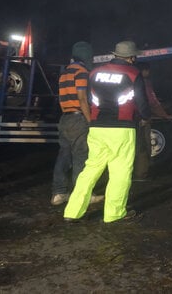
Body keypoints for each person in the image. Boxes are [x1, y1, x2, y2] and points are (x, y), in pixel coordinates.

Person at [63, 40, 151, 223]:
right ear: (132, 57)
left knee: (90, 169)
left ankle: (72, 211)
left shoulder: (95, 72)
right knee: (120, 172)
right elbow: (142, 102)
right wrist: (145, 116)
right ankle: (114, 213)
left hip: (97, 128)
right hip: (122, 129)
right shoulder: (133, 73)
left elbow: (88, 98)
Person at [51, 41, 103, 206]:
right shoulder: (82, 73)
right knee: (81, 157)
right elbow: (82, 99)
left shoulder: (65, 73)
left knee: (64, 156)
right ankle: (83, 195)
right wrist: (90, 121)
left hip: (65, 118)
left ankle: (58, 193)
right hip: (78, 118)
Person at [132, 62, 172, 181]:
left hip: (126, 119)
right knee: (143, 146)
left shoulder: (128, 79)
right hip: (141, 119)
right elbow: (153, 102)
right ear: (144, 71)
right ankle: (141, 174)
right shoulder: (144, 83)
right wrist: (165, 115)